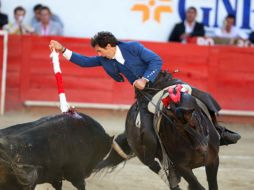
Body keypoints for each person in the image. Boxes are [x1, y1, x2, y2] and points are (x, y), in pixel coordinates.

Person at [49, 31, 240, 186]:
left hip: (164, 82)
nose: (98, 54)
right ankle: (167, 164)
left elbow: (156, 60)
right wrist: (62, 49)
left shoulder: (133, 47)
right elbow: (83, 61)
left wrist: (145, 78)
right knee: (147, 133)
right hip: (144, 96)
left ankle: (219, 132)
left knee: (205, 98)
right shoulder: (105, 59)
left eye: (99, 50)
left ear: (109, 46)